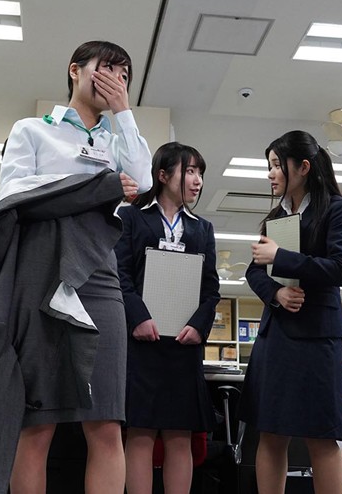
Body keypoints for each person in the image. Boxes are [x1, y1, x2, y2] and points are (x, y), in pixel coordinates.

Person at [0, 40, 152, 494]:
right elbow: (16, 195)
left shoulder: (117, 141)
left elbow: (143, 181)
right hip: (43, 275)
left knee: (106, 423)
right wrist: (97, 187)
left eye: (124, 75)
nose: (115, 80)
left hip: (100, 275)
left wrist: (124, 113)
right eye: (106, 69)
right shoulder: (31, 130)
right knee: (38, 423)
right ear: (74, 70)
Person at [238, 130, 342, 494]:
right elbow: (254, 271)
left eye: (277, 165)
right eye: (269, 166)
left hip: (317, 337)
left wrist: (282, 256)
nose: (271, 173)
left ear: (303, 167)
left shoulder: (339, 209)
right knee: (270, 433)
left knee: (322, 436)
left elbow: (340, 268)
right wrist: (275, 293)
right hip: (276, 337)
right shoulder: (276, 217)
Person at [114, 142, 220, 494]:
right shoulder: (131, 217)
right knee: (140, 433)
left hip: (184, 345)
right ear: (162, 175)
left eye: (200, 173)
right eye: (189, 171)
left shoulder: (202, 228)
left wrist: (200, 326)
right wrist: (138, 318)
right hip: (142, 342)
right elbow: (120, 275)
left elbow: (211, 288)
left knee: (180, 436)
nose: (197, 180)